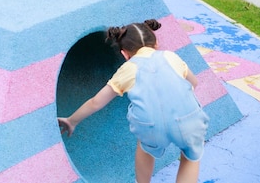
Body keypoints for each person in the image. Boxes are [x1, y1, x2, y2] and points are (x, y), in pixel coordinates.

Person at [57, 19, 210, 183]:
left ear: (125, 54)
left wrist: (71, 121)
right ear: (156, 43)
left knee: (145, 147)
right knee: (190, 156)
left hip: (151, 125)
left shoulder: (128, 68)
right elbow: (194, 82)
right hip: (188, 120)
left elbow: (96, 102)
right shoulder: (170, 56)